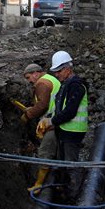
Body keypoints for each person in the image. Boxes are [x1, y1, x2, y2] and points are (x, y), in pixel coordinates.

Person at [37, 50, 88, 202]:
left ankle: (72, 199)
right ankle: (63, 191)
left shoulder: (76, 86)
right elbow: (60, 108)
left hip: (73, 131)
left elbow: (70, 111)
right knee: (62, 163)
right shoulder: (65, 84)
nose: (56, 75)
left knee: (70, 165)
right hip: (64, 130)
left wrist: (51, 122)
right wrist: (49, 118)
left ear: (67, 69)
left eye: (58, 71)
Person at [22, 63, 61, 192]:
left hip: (52, 123)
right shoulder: (50, 78)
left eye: (29, 78)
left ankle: (39, 185)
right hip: (58, 120)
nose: (29, 81)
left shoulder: (42, 83)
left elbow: (43, 105)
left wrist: (28, 115)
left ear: (35, 73)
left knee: (45, 152)